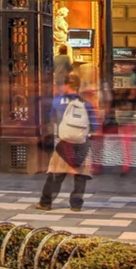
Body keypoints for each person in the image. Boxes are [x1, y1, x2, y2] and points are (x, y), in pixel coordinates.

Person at [37, 72, 98, 211]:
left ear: (66, 85)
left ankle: (45, 202)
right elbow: (94, 126)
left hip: (63, 142)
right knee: (80, 175)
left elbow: (51, 119)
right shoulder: (86, 104)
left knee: (56, 174)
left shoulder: (57, 101)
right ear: (78, 87)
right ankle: (76, 204)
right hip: (81, 142)